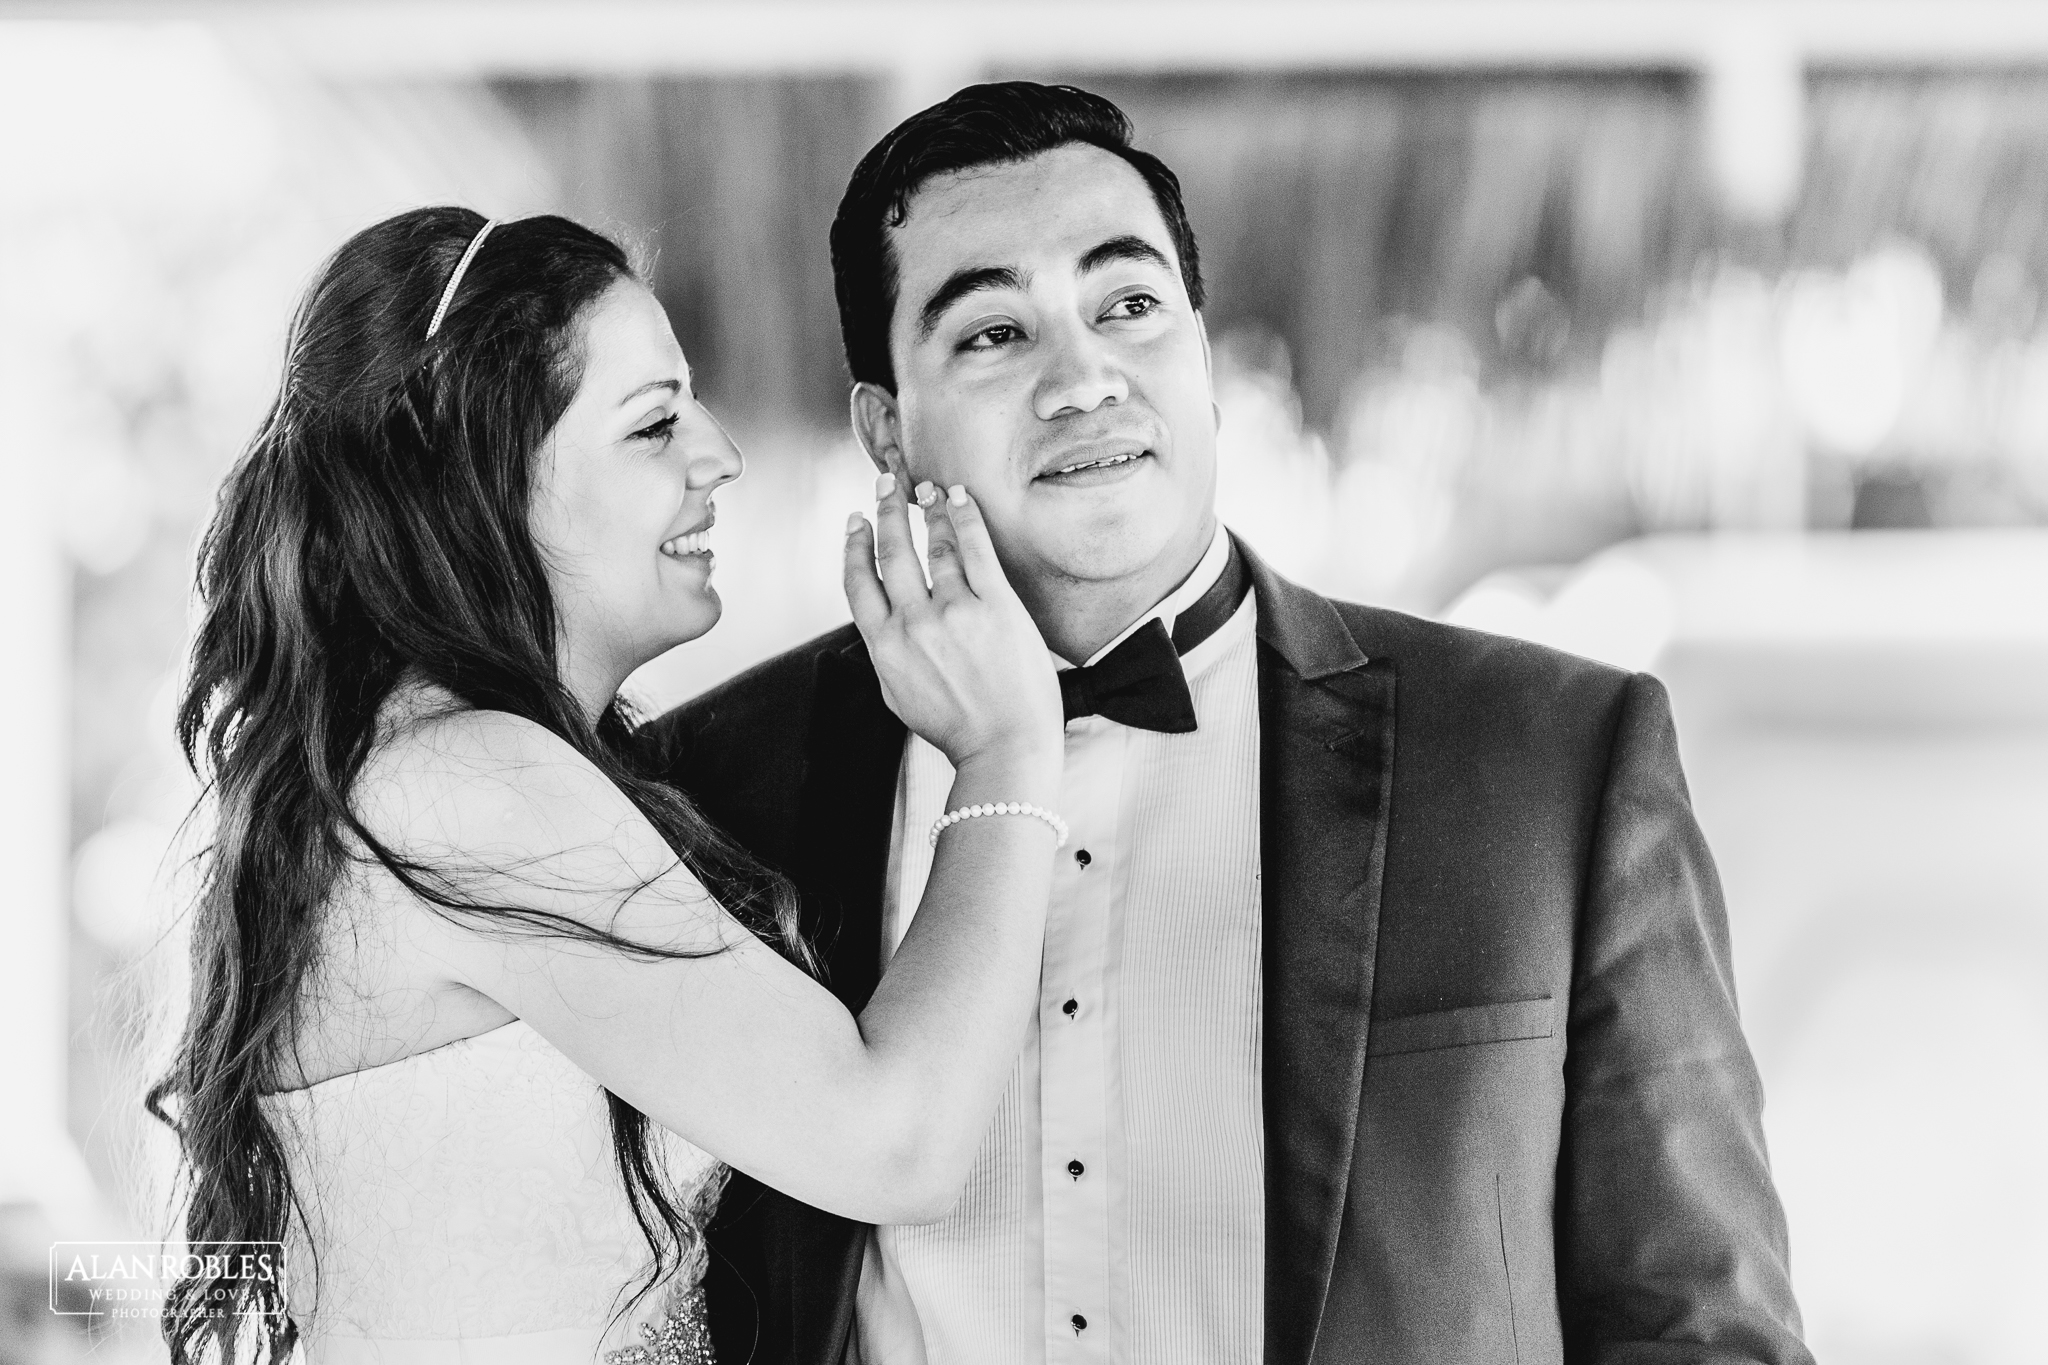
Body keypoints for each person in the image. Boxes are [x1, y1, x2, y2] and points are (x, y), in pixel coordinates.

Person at [652, 82, 1814, 1365]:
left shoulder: (1547, 758)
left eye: (1128, 305)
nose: (1079, 377)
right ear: (884, 426)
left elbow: (1697, 1326)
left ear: (1198, 352)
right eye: (990, 333)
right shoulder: (702, 790)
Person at [149, 207, 1067, 1364]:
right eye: (652, 426)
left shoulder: (419, 776)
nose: (717, 454)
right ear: (477, 482)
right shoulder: (472, 787)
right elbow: (895, 1144)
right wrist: (1007, 757)